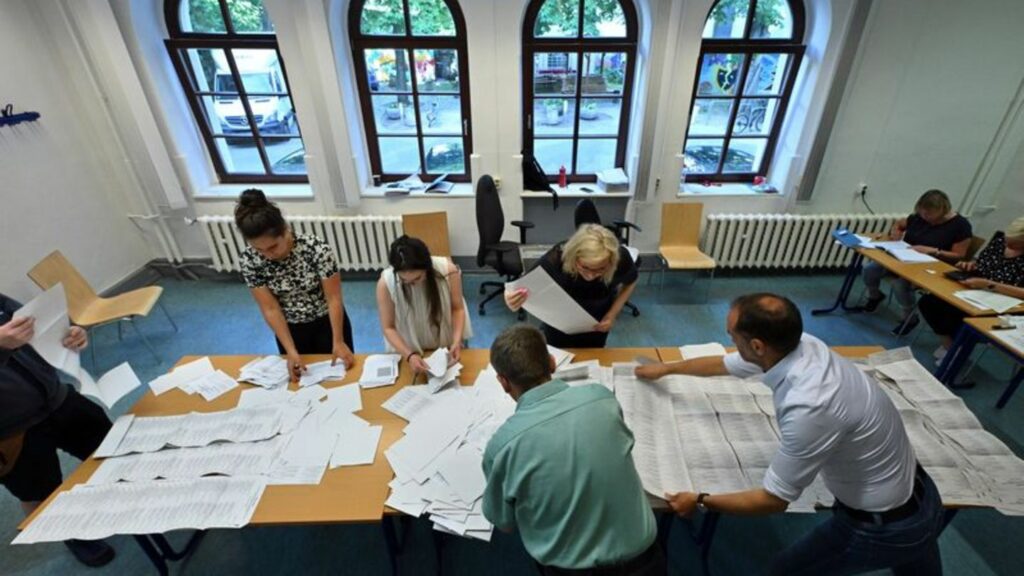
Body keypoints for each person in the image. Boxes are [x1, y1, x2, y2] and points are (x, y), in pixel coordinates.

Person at [635, 294, 943, 576]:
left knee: (784, 571)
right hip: (920, 493)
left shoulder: (810, 404)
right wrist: (666, 369)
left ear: (757, 346)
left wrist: (700, 499)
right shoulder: (800, 342)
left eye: (731, 335)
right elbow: (726, 363)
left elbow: (773, 500)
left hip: (884, 525)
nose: (728, 340)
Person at [482, 324, 663, 576]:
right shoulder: (603, 398)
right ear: (552, 362)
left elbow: (503, 521)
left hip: (569, 570)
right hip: (645, 559)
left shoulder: (501, 447)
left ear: (503, 382)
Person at [1, 293, 115, 567]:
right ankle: (72, 534)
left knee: (111, 447)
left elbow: (39, 328)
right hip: (9, 432)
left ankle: (128, 499)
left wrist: (70, 335)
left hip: (56, 397)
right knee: (39, 491)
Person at [235, 189, 355, 380]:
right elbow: (270, 308)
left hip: (328, 323)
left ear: (285, 230)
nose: (268, 255)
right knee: (300, 382)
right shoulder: (250, 260)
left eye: (273, 246)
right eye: (259, 249)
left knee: (341, 377)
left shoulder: (315, 248)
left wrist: (338, 340)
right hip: (290, 329)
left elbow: (333, 298)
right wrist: (290, 350)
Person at [504, 223, 638, 348]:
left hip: (597, 323)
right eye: (585, 267)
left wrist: (612, 315)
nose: (591, 275)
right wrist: (510, 297)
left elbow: (631, 282)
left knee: (593, 359)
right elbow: (519, 286)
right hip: (559, 324)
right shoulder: (558, 257)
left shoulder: (619, 258)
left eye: (600, 269)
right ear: (573, 257)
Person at [862, 189, 972, 335]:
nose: (924, 216)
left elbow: (959, 255)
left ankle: (909, 317)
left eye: (929, 214)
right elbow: (900, 224)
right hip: (903, 258)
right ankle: (875, 296)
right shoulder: (918, 218)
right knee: (869, 269)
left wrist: (934, 250)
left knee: (900, 284)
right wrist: (896, 231)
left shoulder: (960, 225)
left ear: (942, 210)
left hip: (931, 267)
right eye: (922, 212)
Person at [919, 216, 1024, 363]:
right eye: (1007, 240)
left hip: (1003, 303)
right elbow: (981, 263)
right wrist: (971, 265)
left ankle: (955, 353)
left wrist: (990, 284)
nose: (1007, 244)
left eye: (1014, 244)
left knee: (959, 317)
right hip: (977, 290)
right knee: (929, 302)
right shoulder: (999, 242)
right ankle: (951, 348)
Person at [376, 235, 471, 375]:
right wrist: (409, 356)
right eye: (404, 280)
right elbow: (388, 327)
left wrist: (456, 341)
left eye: (417, 278)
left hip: (446, 339)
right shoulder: (385, 284)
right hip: (409, 345)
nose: (412, 285)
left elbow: (457, 309)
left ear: (427, 268)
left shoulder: (448, 271)